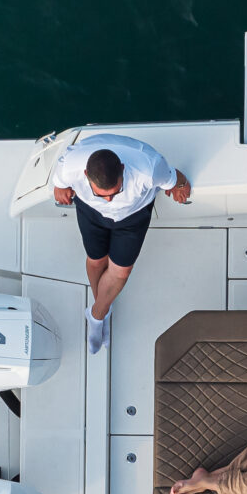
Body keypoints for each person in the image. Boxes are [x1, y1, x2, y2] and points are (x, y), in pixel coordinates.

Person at [50, 134, 192, 355]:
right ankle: (102, 308)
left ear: (123, 169)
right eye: (102, 194)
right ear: (86, 174)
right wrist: (60, 188)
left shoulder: (150, 168)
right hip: (90, 211)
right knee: (96, 260)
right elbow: (59, 184)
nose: (109, 200)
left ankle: (97, 315)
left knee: (121, 272)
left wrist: (181, 185)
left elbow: (175, 178)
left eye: (115, 192)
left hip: (133, 216)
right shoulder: (70, 165)